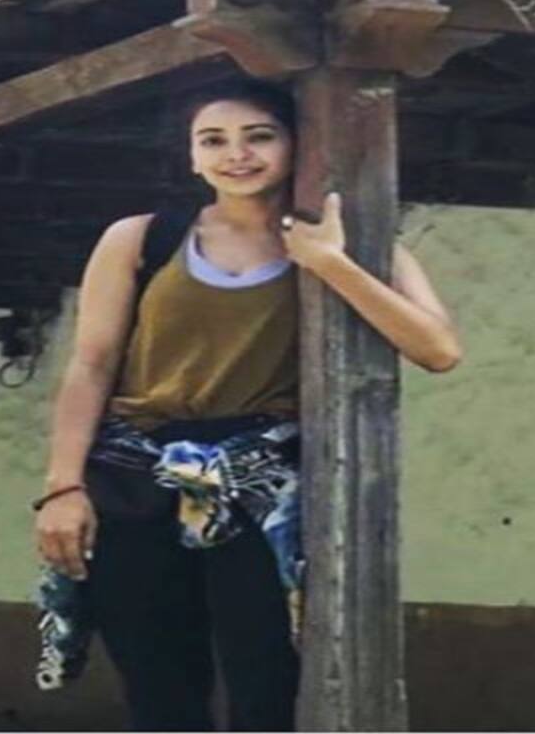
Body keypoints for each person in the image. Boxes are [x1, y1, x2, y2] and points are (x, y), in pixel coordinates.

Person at [35, 79, 461, 731]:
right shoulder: (141, 239)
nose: (237, 154)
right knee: (156, 683)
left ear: (295, 145)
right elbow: (90, 364)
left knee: (266, 679)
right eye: (213, 140)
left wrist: (329, 263)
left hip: (260, 487)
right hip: (134, 475)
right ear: (191, 157)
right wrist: (63, 487)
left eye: (259, 136)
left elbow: (439, 349)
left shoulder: (354, 242)